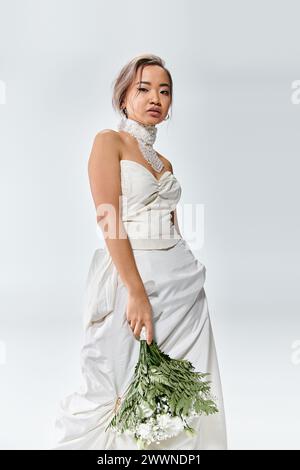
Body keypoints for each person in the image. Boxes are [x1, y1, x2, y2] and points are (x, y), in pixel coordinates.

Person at [53, 54, 228, 450]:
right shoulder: (109, 142)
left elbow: (172, 224)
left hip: (183, 289)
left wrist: (190, 267)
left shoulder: (165, 162)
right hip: (135, 280)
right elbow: (108, 218)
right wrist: (134, 291)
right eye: (144, 88)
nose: (156, 98)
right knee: (114, 383)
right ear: (123, 97)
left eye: (164, 91)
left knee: (185, 391)